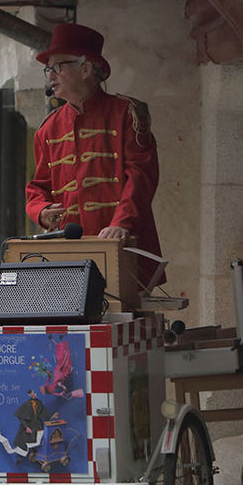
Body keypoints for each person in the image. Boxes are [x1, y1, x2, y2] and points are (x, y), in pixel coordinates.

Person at [26, 22, 163, 288]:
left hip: (122, 248)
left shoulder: (126, 113)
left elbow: (141, 175)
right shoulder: (48, 129)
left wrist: (122, 223)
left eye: (57, 67)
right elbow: (37, 188)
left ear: (86, 69)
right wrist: (41, 211)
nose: (49, 76)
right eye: (48, 69)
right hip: (68, 255)